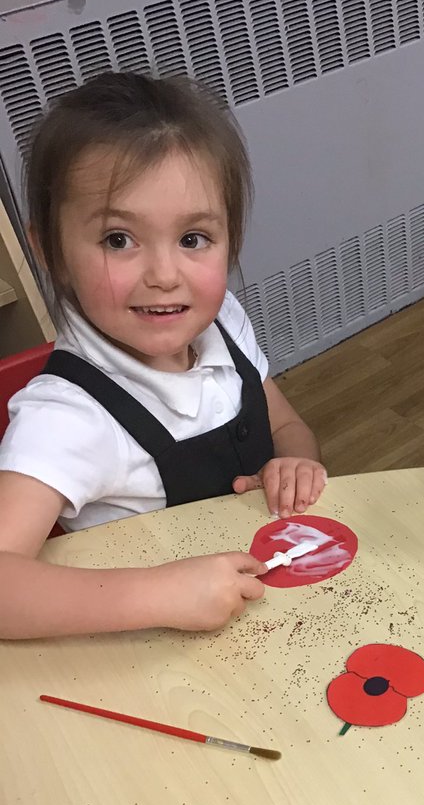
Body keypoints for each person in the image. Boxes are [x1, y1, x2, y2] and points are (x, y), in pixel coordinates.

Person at [0, 70, 326, 639]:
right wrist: (160, 594)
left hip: (265, 625)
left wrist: (294, 461)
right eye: (117, 239)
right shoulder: (66, 417)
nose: (164, 276)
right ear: (48, 249)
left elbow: (286, 423)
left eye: (193, 238)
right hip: (149, 662)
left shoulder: (224, 323)